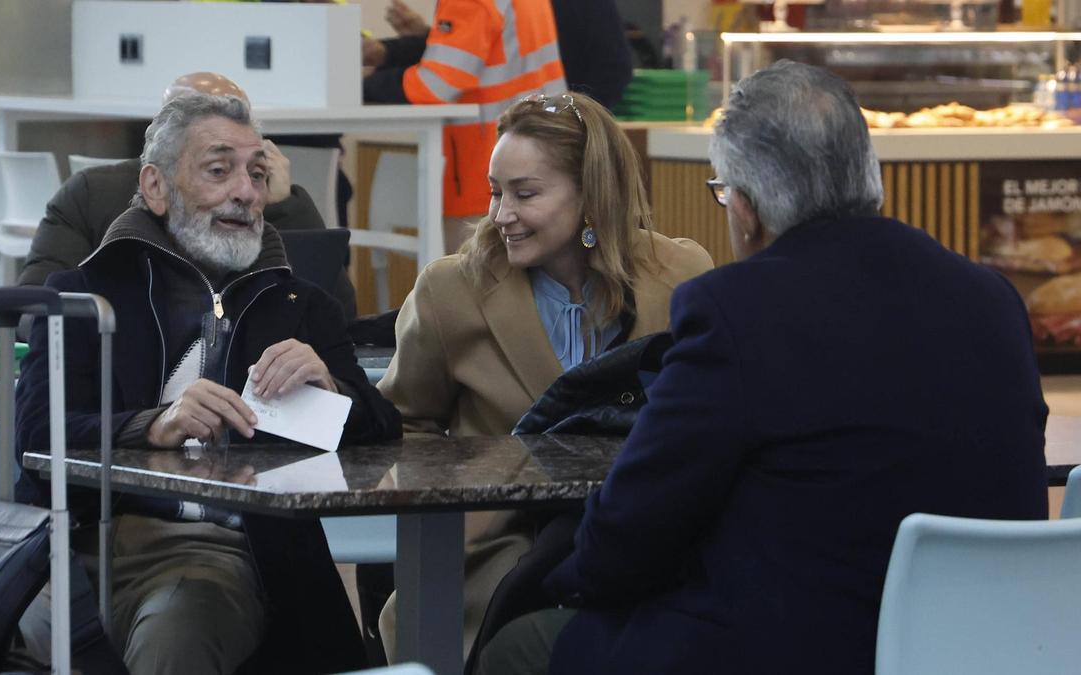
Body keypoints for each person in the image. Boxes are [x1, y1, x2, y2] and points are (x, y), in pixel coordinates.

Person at [475, 60, 1049, 675]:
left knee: (518, 648)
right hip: (986, 647)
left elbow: (634, 525)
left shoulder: (737, 311)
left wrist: (566, 580)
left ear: (745, 209)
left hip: (795, 647)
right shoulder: (993, 298)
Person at [14, 92, 401, 674]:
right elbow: (37, 437)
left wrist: (336, 389)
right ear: (155, 187)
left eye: (257, 173)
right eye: (219, 171)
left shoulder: (300, 307)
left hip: (237, 547)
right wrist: (154, 424)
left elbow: (383, 432)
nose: (245, 192)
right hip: (87, 541)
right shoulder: (84, 297)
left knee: (183, 628)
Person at [376, 91, 714, 659]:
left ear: (591, 194)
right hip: (500, 551)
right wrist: (462, 511)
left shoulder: (683, 277)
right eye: (495, 191)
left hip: (646, 537)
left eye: (524, 193)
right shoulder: (450, 290)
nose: (500, 214)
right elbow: (401, 428)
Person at [18, 71, 358, 320]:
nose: (241, 190)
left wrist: (285, 208)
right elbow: (30, 311)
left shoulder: (270, 198)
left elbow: (338, 317)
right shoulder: (93, 194)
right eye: (216, 167)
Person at [362, 0, 565, 246]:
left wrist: (360, 84)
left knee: (475, 277)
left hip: (484, 170)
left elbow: (434, 86)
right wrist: (414, 43)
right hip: (536, 155)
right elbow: (489, 53)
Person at [377, 0, 633, 108]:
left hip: (500, 151)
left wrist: (580, 126)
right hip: (537, 144)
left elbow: (613, 69)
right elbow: (487, 54)